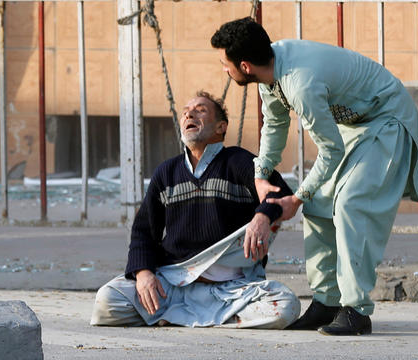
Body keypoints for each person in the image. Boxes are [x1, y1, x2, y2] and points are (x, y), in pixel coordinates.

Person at [211, 17, 418, 335]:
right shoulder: (270, 74)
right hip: (355, 127)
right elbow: (274, 126)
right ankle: (327, 301)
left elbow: (330, 151)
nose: (224, 69)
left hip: (386, 119)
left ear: (245, 66)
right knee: (318, 205)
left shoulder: (301, 82)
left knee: (351, 204)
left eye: (225, 64)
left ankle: (357, 310)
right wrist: (260, 175)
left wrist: (296, 196)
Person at [90, 91, 300, 329]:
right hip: (172, 285)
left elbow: (279, 193)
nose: (189, 113)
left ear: (221, 127)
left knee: (285, 305)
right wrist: (143, 274)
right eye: (186, 111)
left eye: (200, 109)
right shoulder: (165, 172)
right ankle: (211, 319)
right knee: (107, 301)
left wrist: (263, 216)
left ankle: (175, 317)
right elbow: (143, 232)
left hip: (232, 290)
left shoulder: (239, 161)